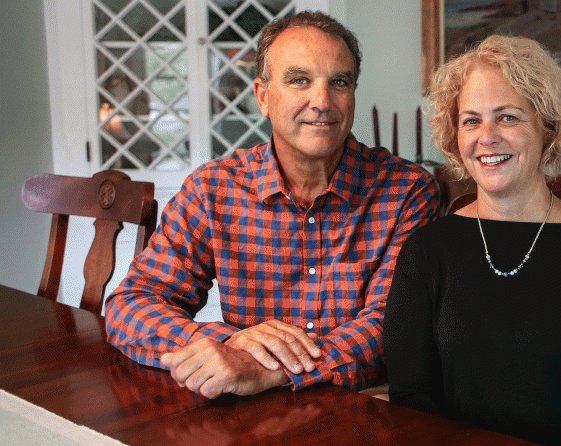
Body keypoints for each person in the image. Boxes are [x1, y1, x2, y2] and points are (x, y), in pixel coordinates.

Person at [105, 11, 439, 399]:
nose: (322, 101)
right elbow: (133, 303)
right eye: (300, 81)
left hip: (356, 410)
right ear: (263, 97)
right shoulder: (213, 189)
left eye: (339, 83)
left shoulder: (406, 191)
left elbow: (390, 326)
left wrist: (271, 367)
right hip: (250, 416)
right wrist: (228, 344)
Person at [383, 35, 561, 446]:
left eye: (507, 117)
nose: (486, 137)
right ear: (455, 138)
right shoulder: (426, 251)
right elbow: (412, 397)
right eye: (470, 121)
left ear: (548, 128)